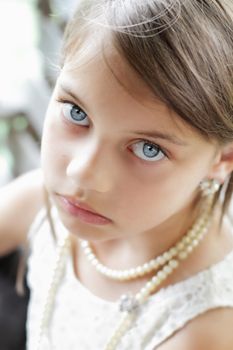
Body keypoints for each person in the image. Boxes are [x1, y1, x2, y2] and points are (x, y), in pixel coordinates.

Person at [1, 0, 233, 349]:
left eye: (147, 149)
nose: (82, 173)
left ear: (223, 160)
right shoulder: (37, 200)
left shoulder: (200, 331)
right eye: (77, 113)